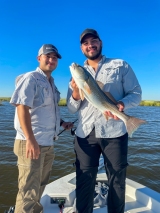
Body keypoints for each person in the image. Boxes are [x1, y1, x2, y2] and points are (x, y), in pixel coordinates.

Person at [67, 29, 142, 213]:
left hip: (115, 131)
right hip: (85, 133)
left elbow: (136, 94)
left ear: (100, 43)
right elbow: (71, 107)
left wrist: (122, 104)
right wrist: (76, 91)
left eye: (93, 41)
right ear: (81, 48)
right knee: (84, 180)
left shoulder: (120, 65)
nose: (90, 45)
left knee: (117, 180)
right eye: (85, 43)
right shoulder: (76, 77)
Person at [10, 44, 73, 213]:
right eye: (48, 56)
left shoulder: (51, 84)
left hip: (47, 144)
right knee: (28, 190)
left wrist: (62, 123)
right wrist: (30, 139)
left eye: (54, 58)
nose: (51, 60)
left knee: (40, 185)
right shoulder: (30, 78)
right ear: (39, 58)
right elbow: (21, 107)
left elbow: (48, 111)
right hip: (30, 143)